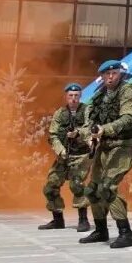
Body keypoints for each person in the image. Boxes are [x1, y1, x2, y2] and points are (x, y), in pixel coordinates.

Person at [80, 60, 132, 248]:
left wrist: (104, 129)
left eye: (114, 73)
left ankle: (126, 233)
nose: (110, 77)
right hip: (104, 145)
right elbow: (88, 122)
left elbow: (128, 118)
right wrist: (89, 136)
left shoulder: (128, 92)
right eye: (107, 74)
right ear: (101, 76)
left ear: (119, 74)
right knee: (92, 190)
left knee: (108, 187)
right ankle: (101, 230)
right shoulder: (98, 96)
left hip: (124, 144)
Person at [38, 83, 91, 232]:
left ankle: (83, 219)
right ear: (66, 97)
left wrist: (78, 133)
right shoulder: (60, 113)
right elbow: (53, 135)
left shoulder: (87, 110)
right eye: (70, 96)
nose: (73, 99)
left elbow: (90, 128)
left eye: (76, 96)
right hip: (64, 155)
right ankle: (57, 219)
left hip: (81, 154)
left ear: (80, 96)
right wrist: (60, 150)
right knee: (50, 186)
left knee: (77, 185)